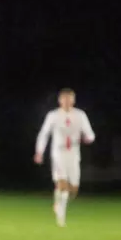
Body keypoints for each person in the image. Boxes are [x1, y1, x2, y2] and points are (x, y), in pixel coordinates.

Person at [34, 88, 95, 227]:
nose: (67, 102)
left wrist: (88, 139)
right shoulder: (53, 115)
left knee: (73, 188)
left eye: (70, 99)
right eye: (64, 99)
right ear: (60, 100)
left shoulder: (80, 115)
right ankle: (60, 216)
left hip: (73, 154)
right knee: (62, 184)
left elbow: (90, 134)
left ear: (73, 100)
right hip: (58, 153)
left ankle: (58, 202)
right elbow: (44, 134)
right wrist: (39, 152)